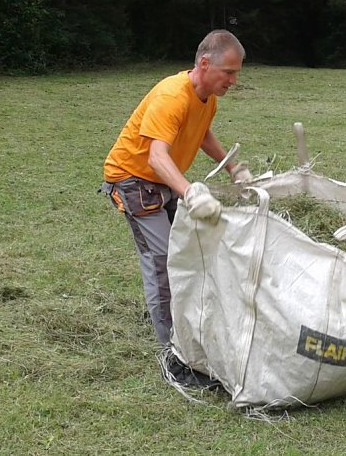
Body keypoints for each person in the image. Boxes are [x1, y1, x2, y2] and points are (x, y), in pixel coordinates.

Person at [101, 30, 252, 386]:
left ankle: (182, 323)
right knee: (162, 262)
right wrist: (190, 193)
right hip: (133, 180)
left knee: (185, 253)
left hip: (162, 180)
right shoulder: (172, 96)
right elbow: (156, 156)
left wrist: (233, 167)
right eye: (229, 72)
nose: (233, 81)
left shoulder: (206, 98)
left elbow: (201, 133)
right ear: (205, 64)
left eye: (236, 73)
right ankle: (175, 356)